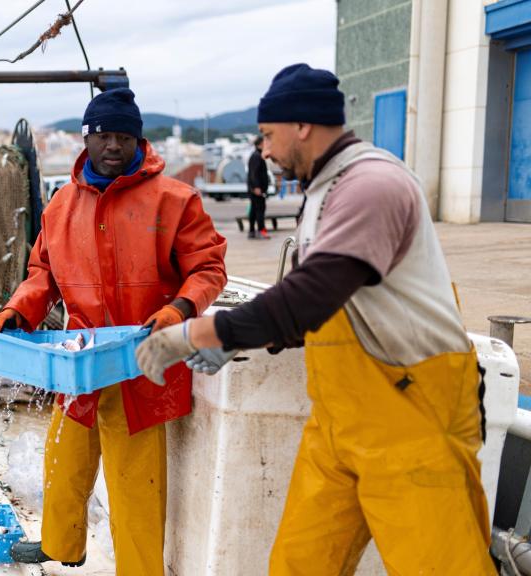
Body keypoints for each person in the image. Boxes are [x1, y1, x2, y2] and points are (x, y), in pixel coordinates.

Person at [135, 63, 494, 575]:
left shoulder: (372, 185)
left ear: (302, 124)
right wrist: (240, 341)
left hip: (412, 415)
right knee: (299, 564)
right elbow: (315, 313)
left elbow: (311, 296)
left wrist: (198, 331)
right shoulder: (321, 191)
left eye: (266, 134)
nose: (262, 149)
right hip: (339, 422)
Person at [0, 88, 227, 575]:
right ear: (86, 138)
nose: (113, 146)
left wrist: (179, 310)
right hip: (78, 361)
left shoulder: (176, 199)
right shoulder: (60, 206)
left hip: (142, 362)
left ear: (139, 140)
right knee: (64, 461)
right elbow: (43, 275)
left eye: (124, 137)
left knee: (135, 483)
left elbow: (208, 268)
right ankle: (61, 546)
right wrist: (19, 311)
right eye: (103, 135)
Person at [247, 135, 270, 239]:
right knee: (260, 209)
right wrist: (256, 187)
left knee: (254, 209)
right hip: (257, 189)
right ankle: (261, 230)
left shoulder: (256, 155)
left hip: (255, 188)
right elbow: (254, 173)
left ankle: (252, 231)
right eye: (265, 142)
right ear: (260, 144)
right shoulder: (256, 156)